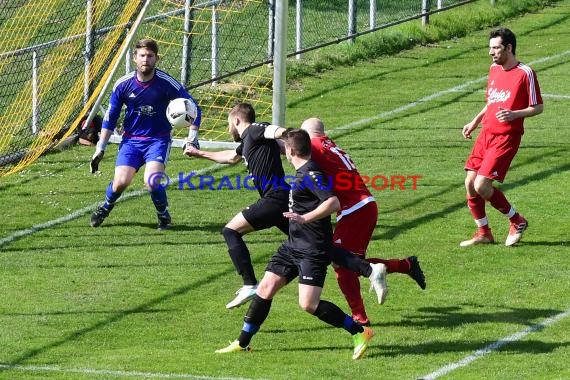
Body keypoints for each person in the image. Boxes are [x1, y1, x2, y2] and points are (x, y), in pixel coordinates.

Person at [184, 102, 386, 309]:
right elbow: (230, 157)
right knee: (316, 244)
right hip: (282, 200)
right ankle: (370, 269)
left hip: (274, 199)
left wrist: (294, 138)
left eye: (228, 124)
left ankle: (249, 284)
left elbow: (278, 131)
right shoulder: (247, 142)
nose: (228, 130)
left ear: (236, 120)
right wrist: (199, 154)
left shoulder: (256, 129)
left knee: (230, 231)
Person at [215, 128, 374, 359]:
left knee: (308, 304)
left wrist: (305, 218)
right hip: (292, 246)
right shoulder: (301, 172)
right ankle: (242, 343)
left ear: (289, 151)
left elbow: (333, 202)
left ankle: (360, 332)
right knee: (266, 288)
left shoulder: (310, 174)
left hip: (311, 251)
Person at [301, 118, 426, 326]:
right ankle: (406, 265)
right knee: (352, 263)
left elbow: (290, 147)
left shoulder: (313, 145)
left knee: (341, 263)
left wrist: (259, 135)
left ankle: (360, 318)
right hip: (360, 206)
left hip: (355, 209)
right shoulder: (327, 144)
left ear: (308, 135)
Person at [89, 38, 201, 230]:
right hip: (131, 141)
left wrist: (192, 137)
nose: (145, 60)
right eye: (142, 55)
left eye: (150, 56)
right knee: (120, 183)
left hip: (158, 140)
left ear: (156, 58)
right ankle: (105, 207)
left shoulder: (167, 83)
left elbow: (193, 108)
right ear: (134, 58)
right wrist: (100, 148)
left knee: (151, 181)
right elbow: (110, 117)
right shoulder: (123, 85)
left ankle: (163, 216)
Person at [460, 28, 543, 247]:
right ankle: (484, 232)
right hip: (486, 133)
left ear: (509, 48)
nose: (491, 52)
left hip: (506, 137)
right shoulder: (494, 69)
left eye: (496, 48)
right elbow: (491, 102)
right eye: (490, 48)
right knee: (469, 183)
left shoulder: (526, 73)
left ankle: (517, 220)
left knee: (481, 186)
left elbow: (538, 107)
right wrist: (475, 121)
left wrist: (515, 114)